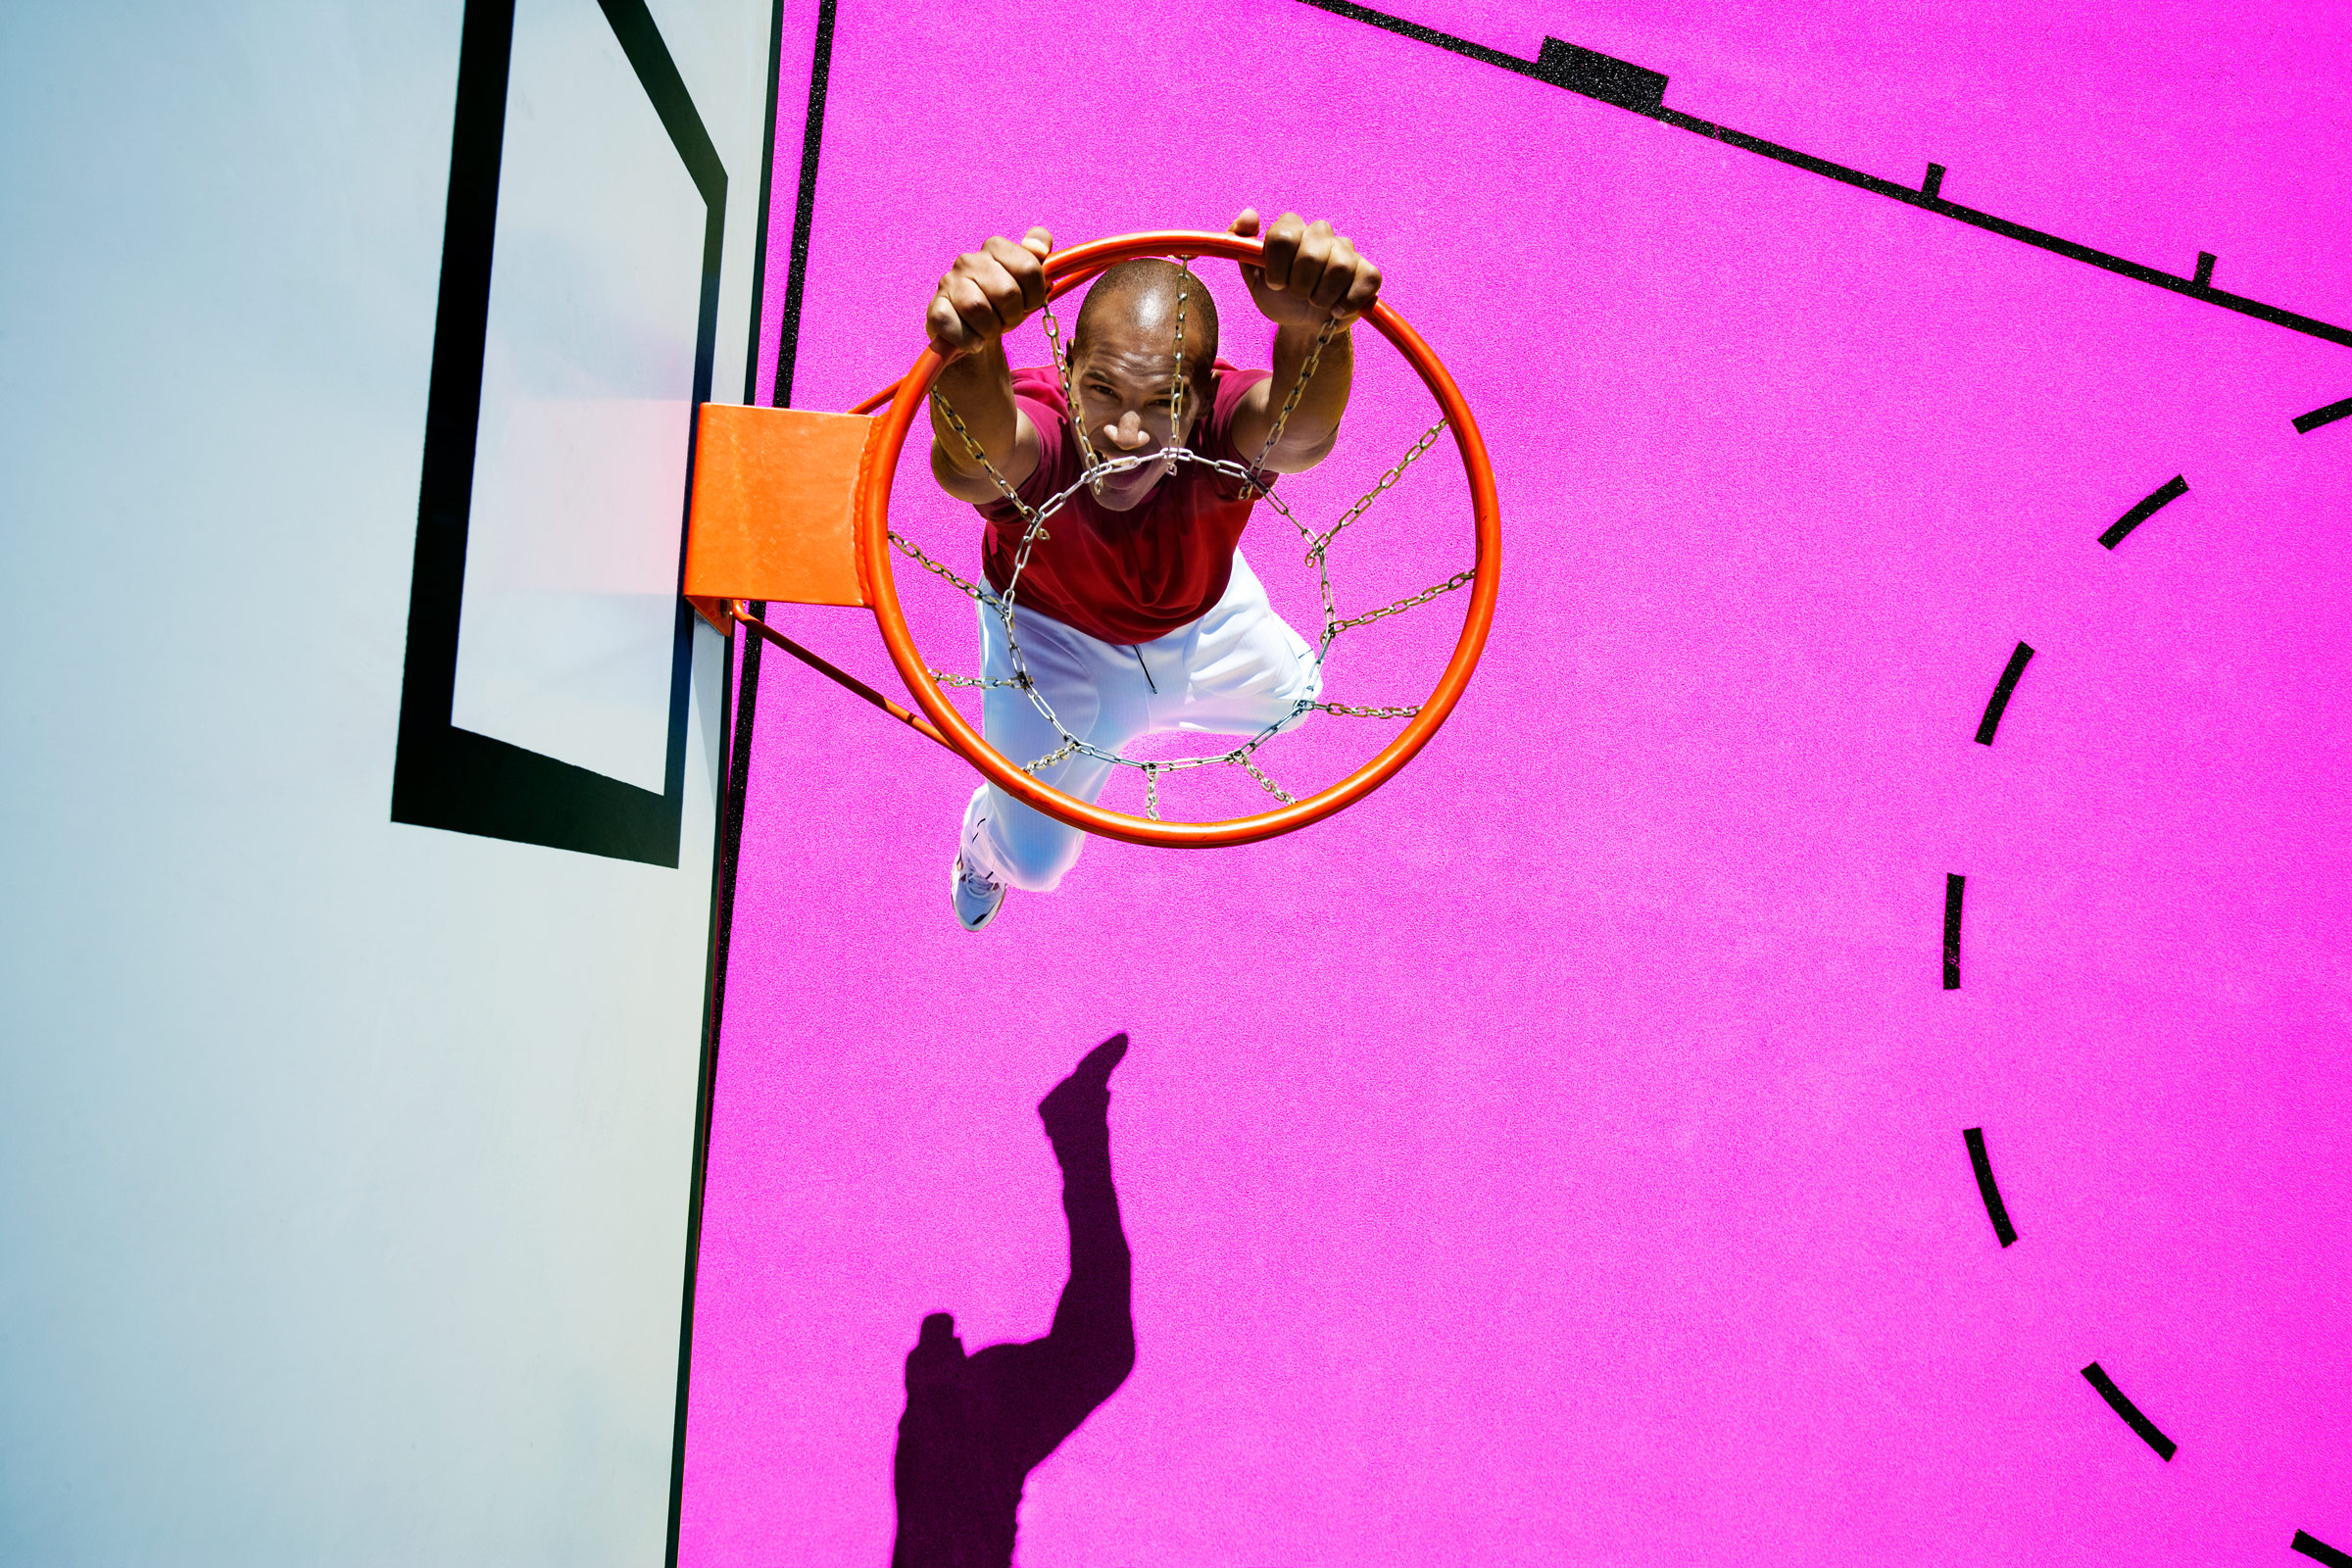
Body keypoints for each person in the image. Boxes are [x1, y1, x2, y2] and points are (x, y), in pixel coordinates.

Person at [925, 211, 1384, 929]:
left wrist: (1313, 331)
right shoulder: (1042, 430)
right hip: (1053, 642)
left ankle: (1151, 698)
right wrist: (972, 349)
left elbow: (1301, 433)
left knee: (1301, 695)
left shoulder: (1223, 428)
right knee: (1037, 865)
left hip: (1201, 616)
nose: (1126, 436)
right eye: (1102, 389)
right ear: (1069, 365)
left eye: (1163, 403)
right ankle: (982, 847)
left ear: (1202, 398)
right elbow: (973, 457)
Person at [891, 1034, 1136, 1568]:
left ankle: (1078, 1129)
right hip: (965, 1440)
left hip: (961, 1436)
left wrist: (940, 1403)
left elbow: (939, 1517)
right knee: (1103, 1348)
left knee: (1102, 1349)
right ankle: (1078, 1128)